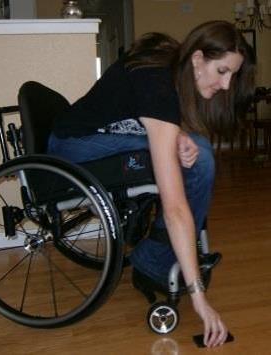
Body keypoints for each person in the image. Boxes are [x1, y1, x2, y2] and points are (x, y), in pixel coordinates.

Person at [47, 21, 255, 347]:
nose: (227, 85)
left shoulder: (173, 65)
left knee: (197, 150)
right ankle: (157, 257)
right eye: (223, 71)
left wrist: (179, 134)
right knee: (198, 158)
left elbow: (141, 113)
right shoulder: (158, 85)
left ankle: (160, 252)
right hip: (75, 147)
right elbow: (173, 207)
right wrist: (198, 295)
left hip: (99, 137)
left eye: (232, 75)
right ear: (198, 59)